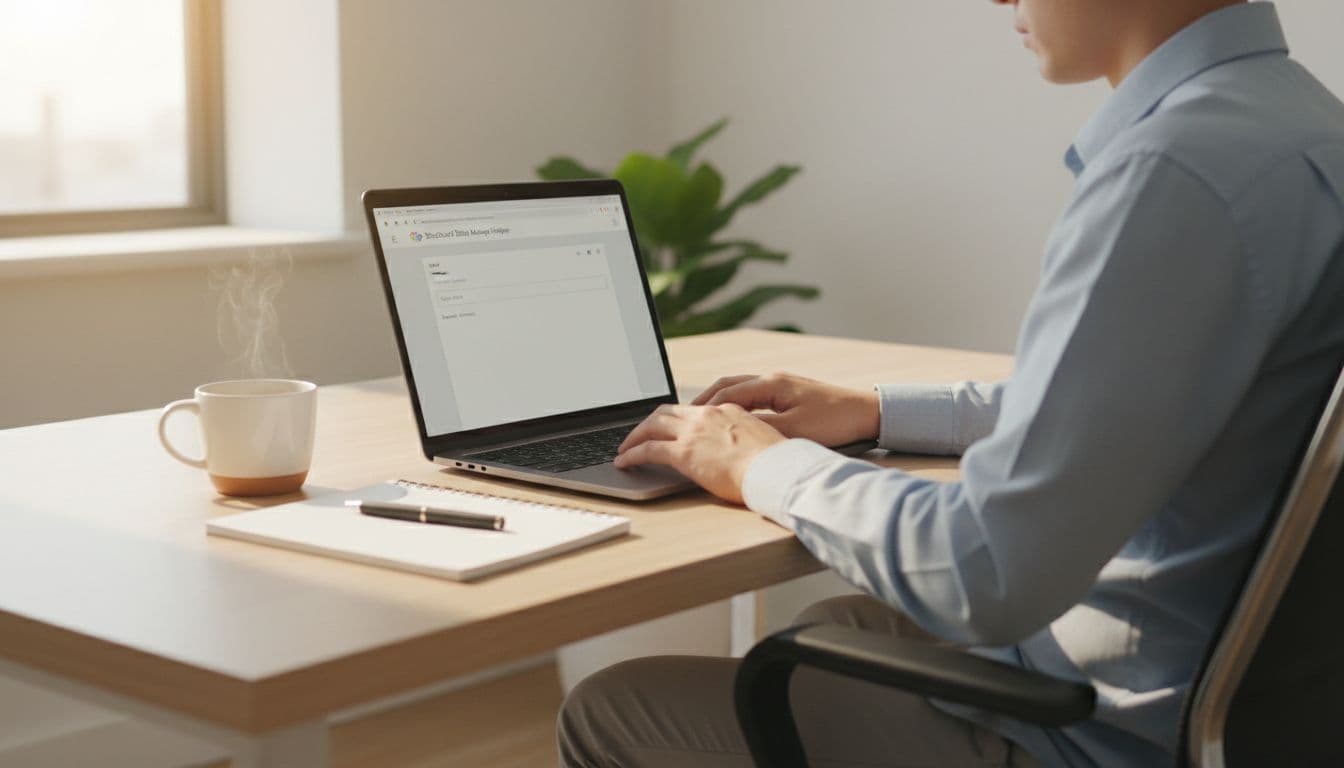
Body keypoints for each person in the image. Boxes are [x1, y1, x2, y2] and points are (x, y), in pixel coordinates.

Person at [557, 0, 1344, 765]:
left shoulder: (1173, 169)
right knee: (842, 622)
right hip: (1246, 702)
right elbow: (1141, 398)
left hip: (1103, 730)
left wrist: (761, 466)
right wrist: (876, 410)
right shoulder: (1304, 124)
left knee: (613, 704)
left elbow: (986, 569)